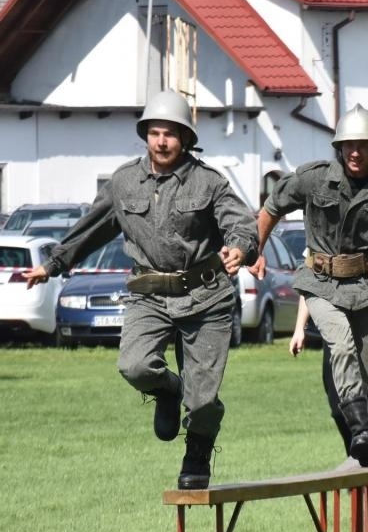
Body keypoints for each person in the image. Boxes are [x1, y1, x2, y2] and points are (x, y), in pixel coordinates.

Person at [24, 90, 258, 488]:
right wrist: (52, 265)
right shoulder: (123, 183)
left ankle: (197, 453)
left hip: (207, 297)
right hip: (149, 294)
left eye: (170, 133)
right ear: (146, 135)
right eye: (155, 132)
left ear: (185, 138)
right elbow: (90, 229)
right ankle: (168, 390)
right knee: (134, 366)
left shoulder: (209, 182)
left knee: (202, 400)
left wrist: (239, 248)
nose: (162, 141)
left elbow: (241, 224)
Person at [254, 105, 368, 466]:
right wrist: (257, 250)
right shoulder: (313, 178)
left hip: (363, 286)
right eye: (348, 145)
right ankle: (359, 428)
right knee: (340, 345)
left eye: (363, 145)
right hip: (319, 281)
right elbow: (273, 205)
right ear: (339, 146)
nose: (355, 152)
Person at [291, 262, 368, 458]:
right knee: (337, 404)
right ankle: (355, 451)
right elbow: (311, 281)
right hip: (335, 311)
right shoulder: (325, 234)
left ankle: (367, 450)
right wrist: (300, 327)